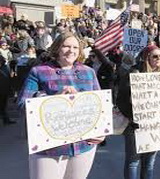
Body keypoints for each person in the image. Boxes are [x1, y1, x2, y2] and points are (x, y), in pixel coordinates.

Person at [18, 32, 104, 179]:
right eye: (66, 46)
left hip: (83, 145)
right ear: (57, 48)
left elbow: (100, 106)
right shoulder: (39, 71)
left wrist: (101, 132)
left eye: (75, 47)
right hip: (49, 147)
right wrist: (53, 98)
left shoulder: (88, 72)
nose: (71, 50)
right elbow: (22, 104)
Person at [117, 45, 160, 179]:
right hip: (136, 125)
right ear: (146, 57)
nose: (158, 59)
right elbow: (121, 100)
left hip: (156, 126)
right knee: (133, 162)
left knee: (149, 163)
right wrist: (135, 116)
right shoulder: (135, 73)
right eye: (155, 56)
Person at [0, 55, 16, 125]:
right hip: (2, 89)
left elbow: (8, 78)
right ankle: (5, 119)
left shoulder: (4, 67)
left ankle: (6, 119)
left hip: (4, 89)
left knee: (3, 105)